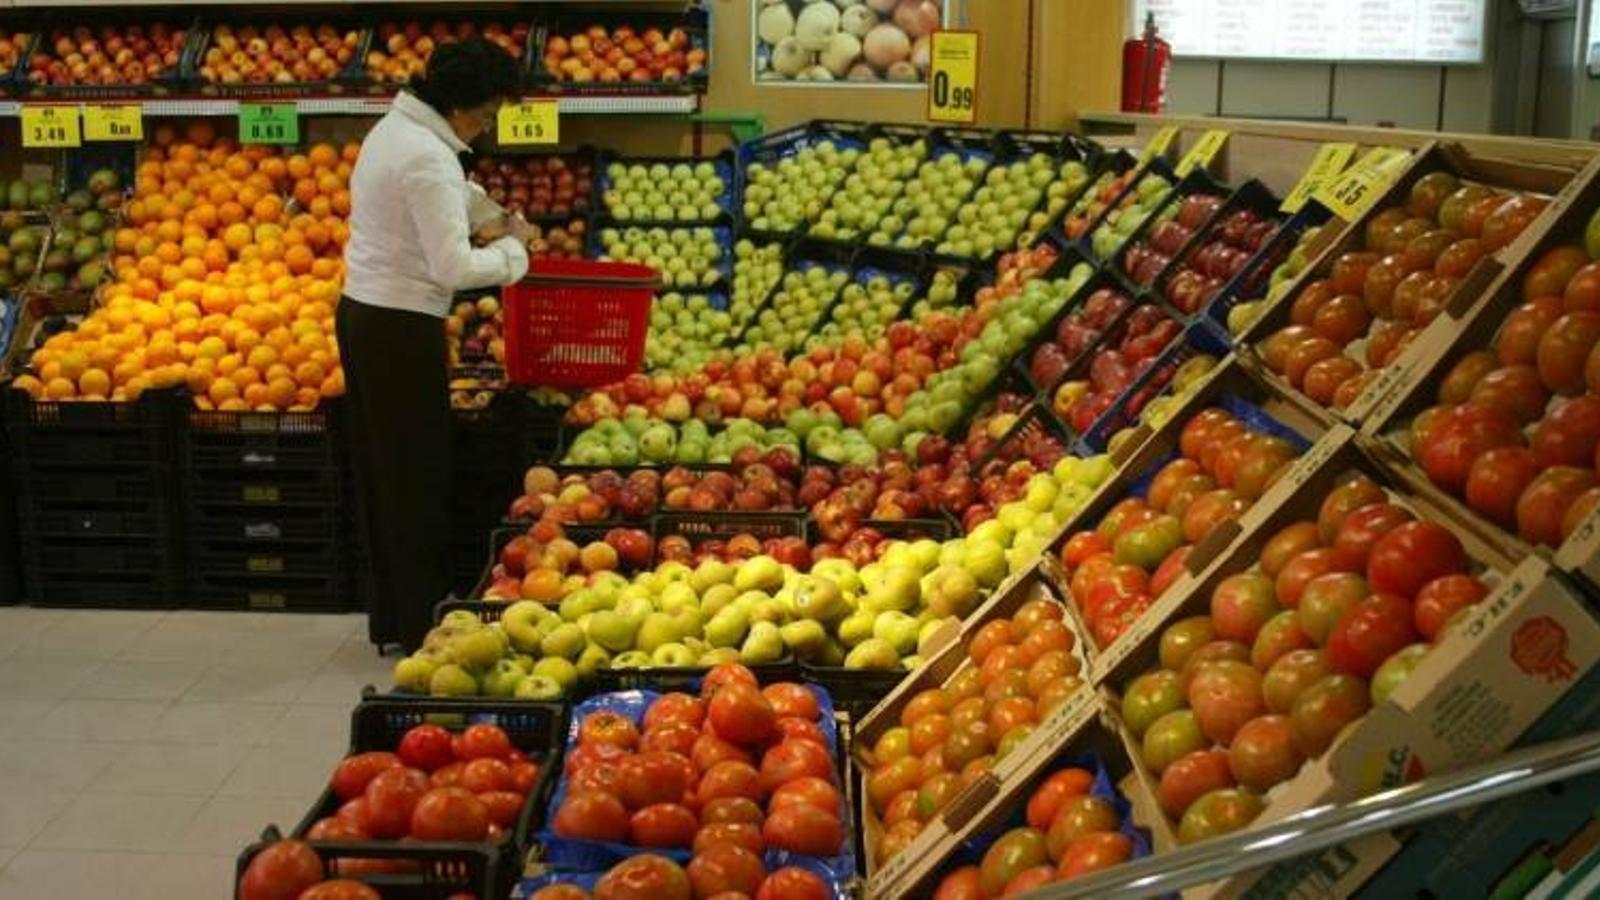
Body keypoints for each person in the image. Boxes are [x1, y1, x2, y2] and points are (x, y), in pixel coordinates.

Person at [339, 37, 529, 650]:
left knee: (385, 472)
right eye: (488, 110)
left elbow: (450, 195)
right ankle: (422, 621)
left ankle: (396, 615)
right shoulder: (425, 156)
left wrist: (493, 214)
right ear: (460, 103)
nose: (490, 122)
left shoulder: (397, 130)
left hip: (367, 316)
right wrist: (513, 255)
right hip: (398, 326)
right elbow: (453, 268)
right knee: (416, 473)